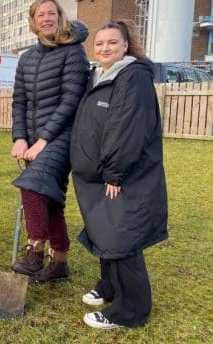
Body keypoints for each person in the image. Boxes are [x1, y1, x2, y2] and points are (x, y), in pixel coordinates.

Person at [70, 19, 168, 329]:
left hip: (122, 175)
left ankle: (131, 311)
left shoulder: (132, 77)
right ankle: (109, 286)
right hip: (97, 176)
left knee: (122, 238)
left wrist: (114, 173)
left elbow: (127, 128)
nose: (104, 48)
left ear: (125, 46)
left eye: (112, 42)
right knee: (105, 232)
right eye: (99, 44)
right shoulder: (98, 75)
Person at [9, 0, 89, 282]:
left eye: (51, 13)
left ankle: (35, 250)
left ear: (60, 16)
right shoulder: (27, 58)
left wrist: (43, 140)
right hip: (32, 141)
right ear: (33, 22)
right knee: (50, 198)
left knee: (32, 186)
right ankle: (60, 262)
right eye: (40, 14)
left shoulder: (73, 52)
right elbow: (18, 101)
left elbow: (70, 101)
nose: (46, 18)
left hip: (63, 137)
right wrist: (19, 137)